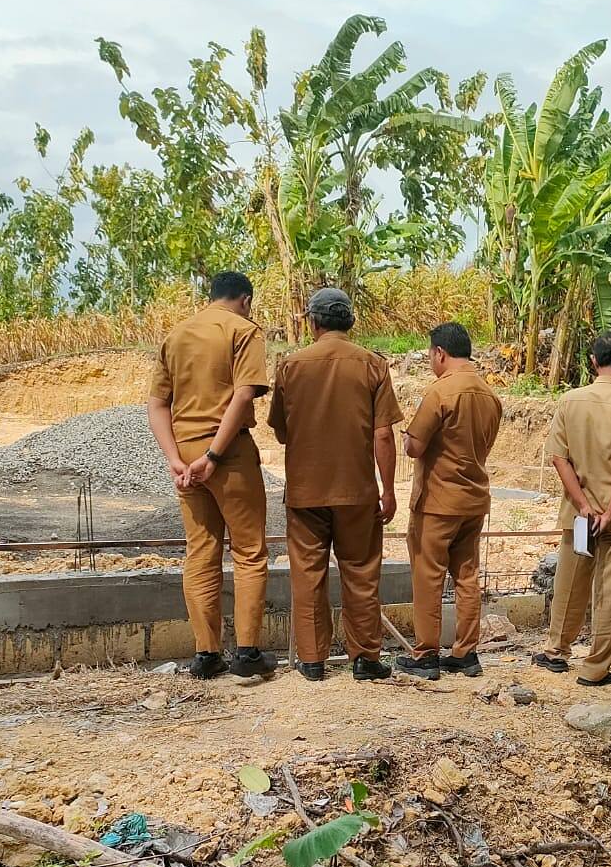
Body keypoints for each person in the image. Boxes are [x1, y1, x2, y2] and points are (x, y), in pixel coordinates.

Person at [269, 287, 404, 682]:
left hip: (306, 493)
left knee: (307, 575)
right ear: (351, 322)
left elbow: (280, 433)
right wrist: (389, 489)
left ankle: (312, 661)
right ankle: (365, 659)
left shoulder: (290, 366)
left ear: (312, 322)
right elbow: (383, 435)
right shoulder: (372, 365)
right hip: (357, 492)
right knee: (361, 572)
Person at [146, 270, 275, 681]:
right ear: (245, 300)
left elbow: (156, 404)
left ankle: (206, 655)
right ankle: (248, 654)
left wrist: (175, 459)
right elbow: (243, 393)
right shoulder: (244, 330)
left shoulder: (177, 335)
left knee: (201, 552)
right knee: (249, 551)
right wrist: (216, 454)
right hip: (228, 453)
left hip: (185, 455)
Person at [531, 331, 611, 687]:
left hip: (578, 513)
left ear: (593, 361)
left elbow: (559, 458)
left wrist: (584, 506)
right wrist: (610, 512)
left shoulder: (570, 401)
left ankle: (556, 652)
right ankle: (595, 668)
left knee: (569, 582)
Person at [396, 322, 504, 681]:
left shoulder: (440, 393)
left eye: (430, 355)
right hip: (474, 500)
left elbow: (415, 446)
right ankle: (465, 652)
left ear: (439, 353)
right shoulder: (490, 395)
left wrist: (406, 439)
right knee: (467, 575)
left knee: (428, 575)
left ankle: (426, 653)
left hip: (439, 501)